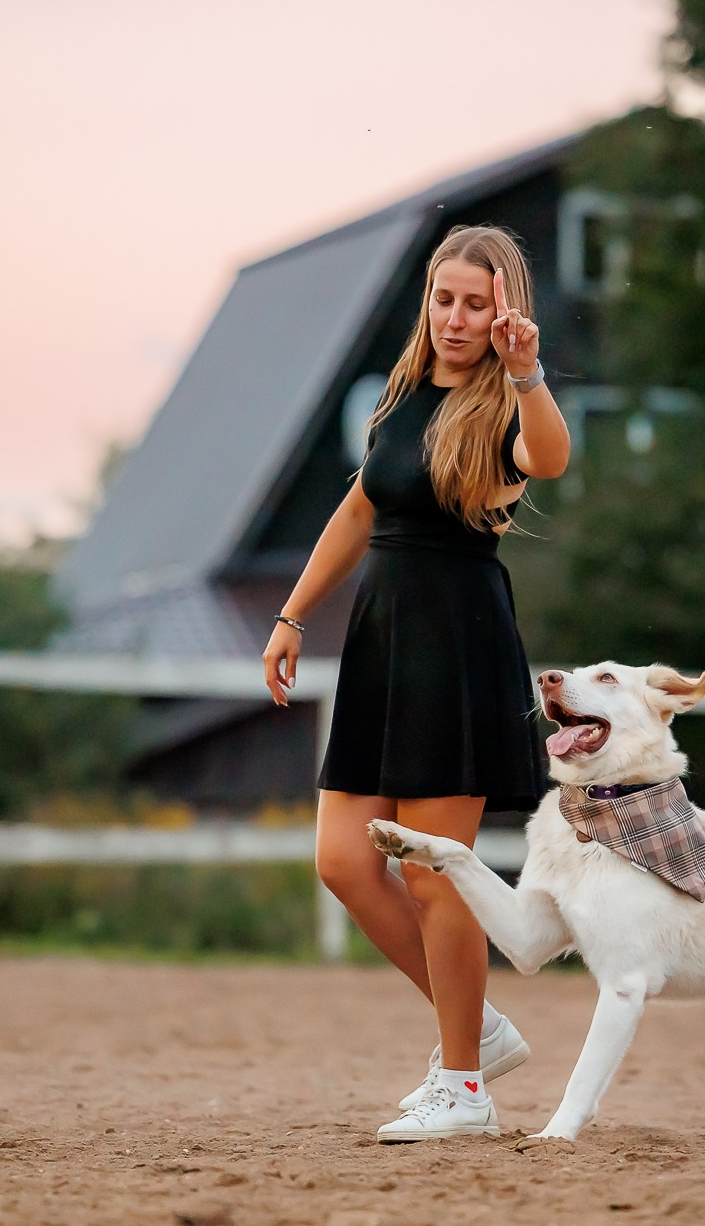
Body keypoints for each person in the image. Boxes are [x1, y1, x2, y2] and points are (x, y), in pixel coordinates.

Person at [261, 224, 570, 1141]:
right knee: (345, 859)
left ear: (504, 307)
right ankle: (475, 1026)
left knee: (438, 880)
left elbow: (548, 460)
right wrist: (291, 613)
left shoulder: (505, 404)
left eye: (477, 302)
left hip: (458, 645)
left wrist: (527, 373)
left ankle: (465, 1088)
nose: (457, 317)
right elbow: (360, 505)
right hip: (380, 643)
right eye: (445, 299)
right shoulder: (400, 394)